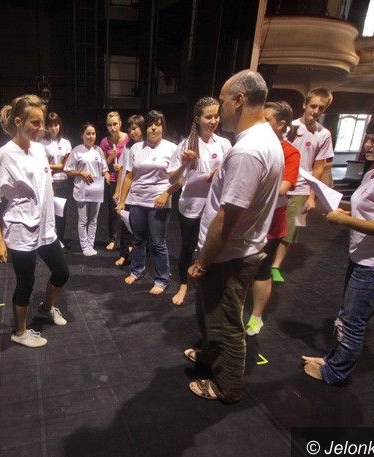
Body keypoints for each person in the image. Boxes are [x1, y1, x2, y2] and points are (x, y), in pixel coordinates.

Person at [184, 70, 283, 403]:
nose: (220, 108)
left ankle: (227, 386)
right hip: (238, 248)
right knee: (212, 315)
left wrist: (203, 261)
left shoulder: (248, 150)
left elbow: (227, 218)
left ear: (239, 100)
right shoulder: (264, 139)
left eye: (223, 100)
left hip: (228, 254)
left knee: (225, 324)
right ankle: (210, 358)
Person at [302, 110, 374, 384]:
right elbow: (369, 212)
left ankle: (335, 373)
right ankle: (333, 360)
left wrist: (344, 220)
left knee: (352, 322)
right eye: (368, 137)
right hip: (365, 259)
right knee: (347, 316)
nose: (368, 144)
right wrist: (344, 210)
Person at [0, 95, 70, 348]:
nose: (40, 128)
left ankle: (46, 307)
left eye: (42, 122)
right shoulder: (5, 154)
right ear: (18, 122)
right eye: (35, 122)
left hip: (45, 227)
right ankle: (19, 331)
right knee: (26, 283)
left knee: (62, 272)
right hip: (21, 229)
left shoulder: (39, 148)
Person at [168, 97, 232, 306]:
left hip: (215, 205)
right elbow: (172, 179)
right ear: (197, 119)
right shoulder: (186, 144)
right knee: (188, 246)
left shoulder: (224, 144)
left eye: (216, 116)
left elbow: (232, 172)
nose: (213, 121)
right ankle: (183, 284)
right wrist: (184, 164)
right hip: (191, 205)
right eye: (208, 117)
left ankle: (206, 280)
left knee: (211, 245)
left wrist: (219, 172)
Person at [245, 101, 300, 335]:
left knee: (262, 271)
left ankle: (256, 316)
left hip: (271, 223)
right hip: (247, 221)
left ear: (281, 125)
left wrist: (247, 186)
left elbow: (284, 187)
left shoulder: (290, 152)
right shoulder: (251, 145)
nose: (261, 124)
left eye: (267, 120)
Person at [270, 88, 334, 283]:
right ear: (305, 104)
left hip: (302, 188)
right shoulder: (289, 127)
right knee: (270, 225)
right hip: (280, 184)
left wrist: (312, 197)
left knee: (291, 229)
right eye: (313, 106)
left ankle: (275, 266)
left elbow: (319, 167)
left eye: (321, 108)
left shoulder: (324, 134)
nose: (315, 111)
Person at [117, 110, 180, 294]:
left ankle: (162, 279)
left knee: (158, 242)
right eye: (150, 124)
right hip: (136, 200)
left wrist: (166, 194)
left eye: (158, 124)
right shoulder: (136, 148)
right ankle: (136, 270)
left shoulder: (171, 148)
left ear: (163, 127)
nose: (153, 128)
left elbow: (178, 179)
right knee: (138, 239)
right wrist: (122, 200)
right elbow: (129, 175)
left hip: (158, 202)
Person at [65, 122, 110, 256]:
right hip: (82, 190)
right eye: (88, 134)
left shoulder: (99, 150)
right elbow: (68, 170)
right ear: (82, 135)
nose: (91, 136)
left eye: (93, 133)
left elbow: (104, 169)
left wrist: (107, 175)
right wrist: (80, 172)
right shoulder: (77, 150)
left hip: (96, 190)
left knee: (93, 220)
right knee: (83, 220)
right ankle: (84, 246)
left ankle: (91, 244)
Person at [112, 114, 144, 267]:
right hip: (127, 191)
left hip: (141, 192)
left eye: (135, 128)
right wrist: (118, 190)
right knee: (125, 223)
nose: (132, 132)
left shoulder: (147, 146)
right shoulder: (127, 147)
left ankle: (137, 255)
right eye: (130, 129)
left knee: (140, 225)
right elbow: (123, 170)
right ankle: (123, 254)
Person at [99, 111, 130, 251]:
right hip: (112, 180)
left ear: (120, 124)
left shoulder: (128, 139)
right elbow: (102, 164)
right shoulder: (104, 142)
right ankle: (113, 238)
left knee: (127, 209)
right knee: (113, 211)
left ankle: (128, 240)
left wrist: (122, 167)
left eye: (115, 124)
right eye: (109, 125)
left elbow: (133, 158)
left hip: (126, 179)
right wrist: (110, 158)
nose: (113, 128)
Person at [42, 112, 72, 248]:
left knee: (62, 213)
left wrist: (51, 166)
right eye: (51, 125)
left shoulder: (66, 143)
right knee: (49, 213)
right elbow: (42, 165)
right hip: (48, 182)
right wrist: (55, 166)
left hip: (63, 183)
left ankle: (60, 239)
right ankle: (49, 240)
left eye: (56, 125)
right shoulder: (42, 143)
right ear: (47, 127)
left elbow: (66, 166)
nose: (54, 128)